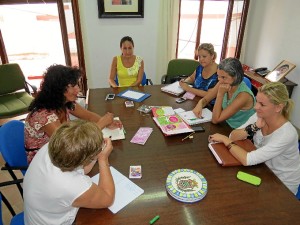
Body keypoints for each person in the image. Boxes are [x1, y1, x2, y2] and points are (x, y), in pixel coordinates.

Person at [208, 82, 300, 197]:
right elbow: (234, 135)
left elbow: (248, 160)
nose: (256, 107)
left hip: (281, 183)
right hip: (262, 169)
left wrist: (225, 140)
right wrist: (254, 127)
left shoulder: (286, 134)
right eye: (257, 101)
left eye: (262, 104)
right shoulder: (259, 116)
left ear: (278, 107)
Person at [25, 64, 122, 164]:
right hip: (45, 161)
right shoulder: (43, 116)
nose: (78, 90)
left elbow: (88, 115)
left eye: (77, 85)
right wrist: (102, 123)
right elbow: (70, 144)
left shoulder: (64, 102)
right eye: (73, 86)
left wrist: (108, 123)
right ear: (58, 89)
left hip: (62, 151)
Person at [24, 120, 115, 224]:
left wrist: (95, 152)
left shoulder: (55, 147)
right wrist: (103, 159)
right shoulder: (71, 185)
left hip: (39, 214)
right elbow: (107, 199)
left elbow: (84, 170)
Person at [192, 57, 255, 128]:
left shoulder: (243, 95)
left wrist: (220, 94)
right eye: (218, 76)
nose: (219, 80)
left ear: (235, 77)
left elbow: (215, 120)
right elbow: (206, 99)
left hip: (237, 130)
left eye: (223, 77)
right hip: (225, 124)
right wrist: (200, 104)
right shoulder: (223, 82)